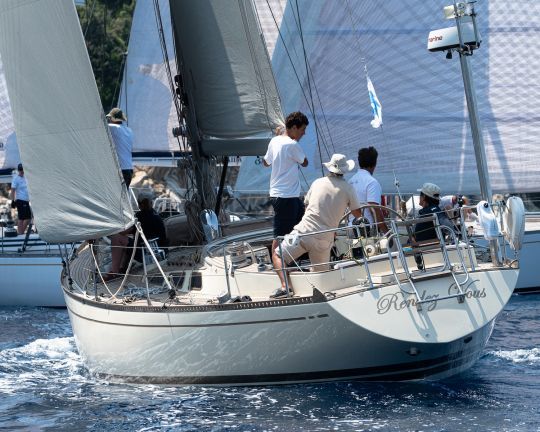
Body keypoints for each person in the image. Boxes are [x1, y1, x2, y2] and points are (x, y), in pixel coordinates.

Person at [271, 154, 363, 298]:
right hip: (325, 240)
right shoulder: (348, 189)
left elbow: (307, 205)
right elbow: (358, 214)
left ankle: (286, 287)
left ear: (330, 167)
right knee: (320, 280)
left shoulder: (317, 183)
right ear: (345, 171)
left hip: (303, 233)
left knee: (277, 255)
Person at [263, 111, 309, 254]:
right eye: (302, 130)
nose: (303, 134)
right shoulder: (292, 144)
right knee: (281, 234)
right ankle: (277, 263)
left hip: (283, 195)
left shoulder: (274, 141)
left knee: (297, 228)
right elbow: (305, 163)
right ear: (294, 128)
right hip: (286, 196)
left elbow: (265, 163)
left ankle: (291, 259)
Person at [104, 196, 167, 281]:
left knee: (117, 238)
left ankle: (115, 272)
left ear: (139, 205)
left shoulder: (139, 216)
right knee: (129, 242)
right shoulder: (156, 215)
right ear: (151, 204)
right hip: (160, 252)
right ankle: (124, 267)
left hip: (146, 254)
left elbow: (123, 232)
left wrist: (110, 229)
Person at [348, 146, 388, 233]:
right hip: (367, 231)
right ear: (375, 163)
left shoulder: (350, 181)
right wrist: (387, 232)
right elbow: (374, 209)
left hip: (350, 228)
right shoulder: (372, 182)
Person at [107, 107, 133, 187]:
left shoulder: (113, 128)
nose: (109, 119)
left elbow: (102, 126)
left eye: (110, 118)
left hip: (119, 169)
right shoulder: (129, 131)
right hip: (129, 168)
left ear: (113, 118)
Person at [9, 163, 32, 235]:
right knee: (21, 218)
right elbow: (12, 190)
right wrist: (12, 201)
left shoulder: (26, 177)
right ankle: (20, 233)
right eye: (20, 170)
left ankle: (21, 232)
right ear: (18, 170)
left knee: (28, 218)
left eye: (22, 170)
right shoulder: (16, 179)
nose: (22, 171)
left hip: (26, 201)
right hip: (20, 200)